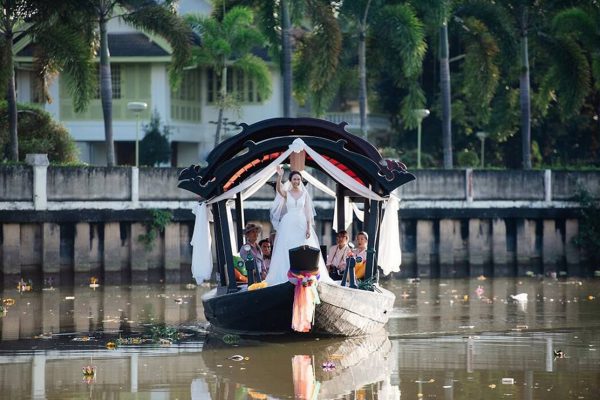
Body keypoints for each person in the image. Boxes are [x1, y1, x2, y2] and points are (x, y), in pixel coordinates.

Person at [265, 166, 332, 284]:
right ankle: (286, 275)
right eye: (294, 179)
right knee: (286, 247)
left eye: (298, 179)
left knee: (304, 245)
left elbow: (307, 211)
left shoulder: (304, 194)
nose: (296, 181)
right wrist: (280, 175)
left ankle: (306, 274)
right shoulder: (287, 193)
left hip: (301, 223)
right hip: (288, 222)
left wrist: (308, 228)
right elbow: (278, 190)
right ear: (290, 180)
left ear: (300, 181)